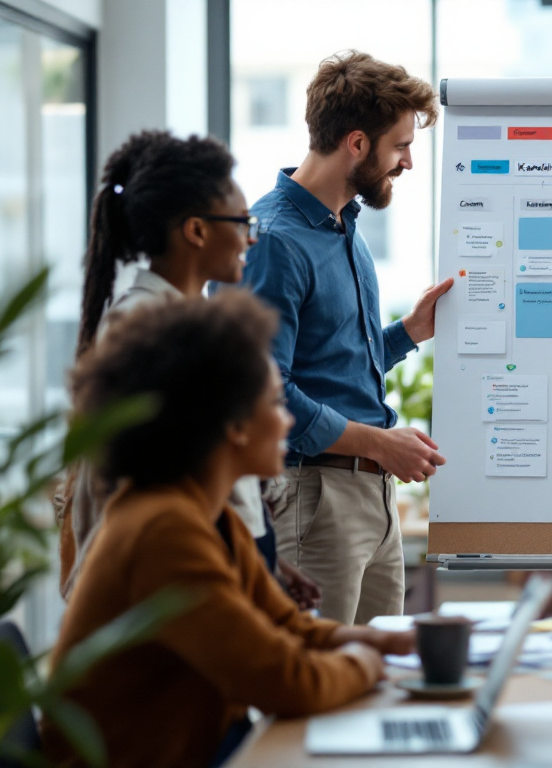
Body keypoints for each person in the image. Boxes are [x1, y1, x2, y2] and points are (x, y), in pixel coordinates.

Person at [42, 292, 412, 768]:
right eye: (276, 403)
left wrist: (391, 642)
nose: (287, 420)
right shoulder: (162, 530)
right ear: (235, 426)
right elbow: (286, 680)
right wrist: (369, 663)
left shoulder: (210, 516)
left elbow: (289, 628)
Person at [58, 130, 318, 609]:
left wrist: (267, 563)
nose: (251, 236)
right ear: (196, 231)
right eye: (241, 223)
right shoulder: (144, 332)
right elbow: (156, 497)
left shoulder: (188, 324)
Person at [240, 51, 452, 624]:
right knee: (318, 684)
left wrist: (408, 333)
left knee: (373, 684)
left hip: (370, 501)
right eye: (400, 145)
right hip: (313, 500)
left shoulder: (347, 231)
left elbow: (335, 363)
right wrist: (381, 444)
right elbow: (265, 394)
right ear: (356, 143)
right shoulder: (275, 241)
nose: (406, 162)